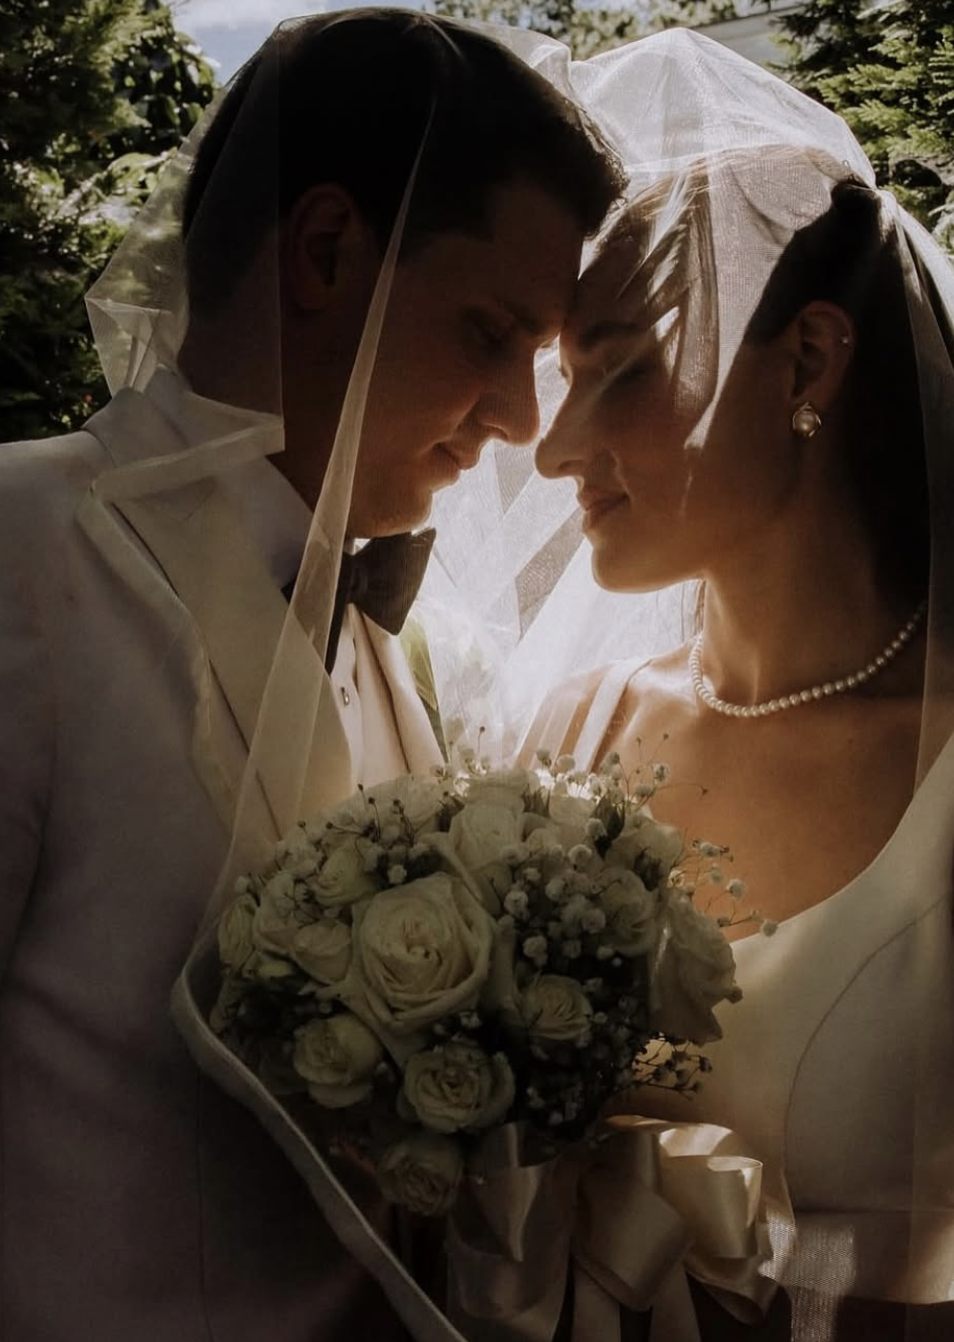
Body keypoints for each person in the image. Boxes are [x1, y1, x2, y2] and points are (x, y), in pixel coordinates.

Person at [0, 11, 622, 1339]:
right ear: (327, 250)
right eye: (489, 330)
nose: (521, 417)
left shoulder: (382, 650)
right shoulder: (27, 547)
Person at [509, 27, 954, 1342]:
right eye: (560, 377)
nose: (553, 449)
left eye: (617, 370)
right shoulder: (565, 732)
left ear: (807, 365)